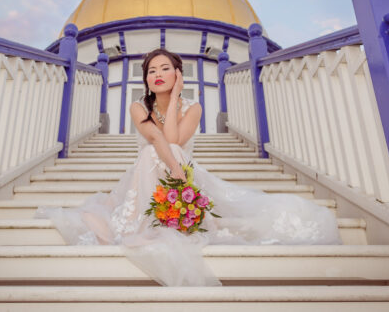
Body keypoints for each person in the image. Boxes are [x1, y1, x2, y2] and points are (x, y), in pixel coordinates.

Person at [36, 48, 342, 286]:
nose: (157, 74)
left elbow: (174, 139)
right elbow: (156, 138)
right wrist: (175, 167)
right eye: (151, 70)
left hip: (182, 171)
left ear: (178, 74)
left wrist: (178, 97)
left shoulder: (193, 108)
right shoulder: (138, 107)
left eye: (165, 69)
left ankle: (168, 214)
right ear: (145, 79)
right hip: (153, 175)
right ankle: (143, 221)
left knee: (174, 151)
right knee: (152, 155)